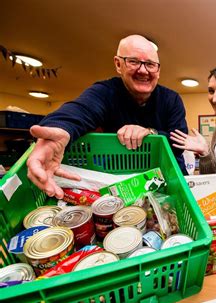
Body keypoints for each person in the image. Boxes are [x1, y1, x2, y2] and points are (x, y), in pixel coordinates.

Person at [26, 34, 189, 199]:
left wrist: (151, 132)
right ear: (118, 64)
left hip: (169, 181)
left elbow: (179, 143)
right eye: (133, 61)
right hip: (121, 181)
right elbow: (78, 110)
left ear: (158, 70)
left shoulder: (171, 99)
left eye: (150, 64)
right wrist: (58, 129)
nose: (143, 70)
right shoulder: (105, 92)